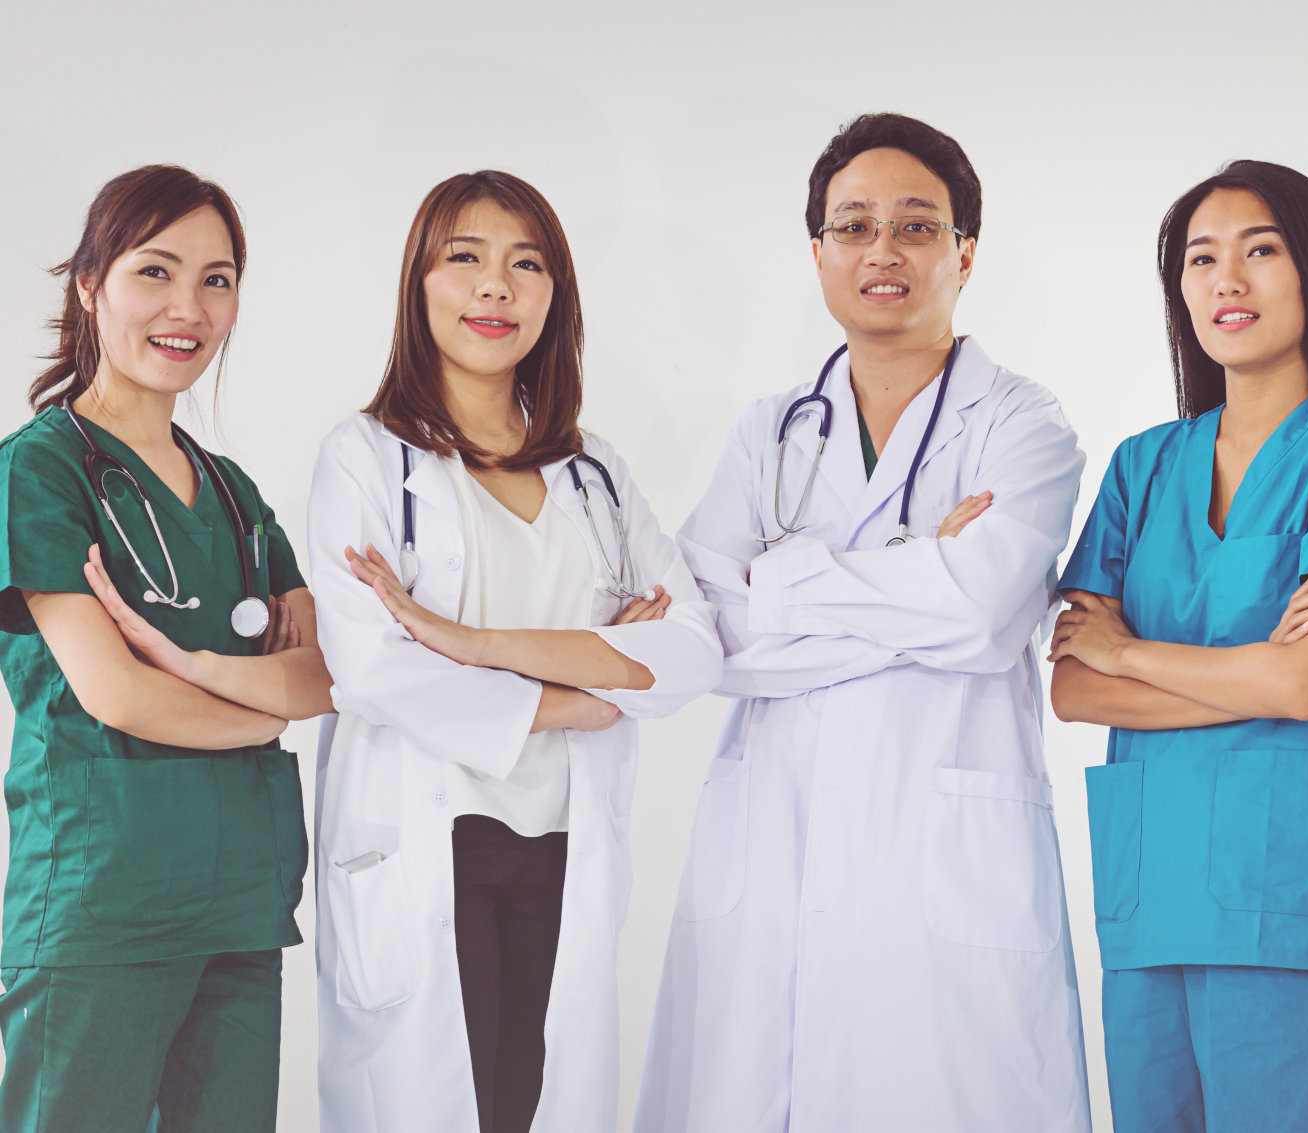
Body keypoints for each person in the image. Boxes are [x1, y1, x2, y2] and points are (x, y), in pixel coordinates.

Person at [635, 113, 1092, 1132]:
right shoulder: (769, 429)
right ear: (817, 253)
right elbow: (711, 634)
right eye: (852, 227)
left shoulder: (1023, 425)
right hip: (773, 847)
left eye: (916, 227)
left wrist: (782, 579)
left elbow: (980, 615)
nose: (881, 251)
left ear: (964, 254)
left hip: (941, 863)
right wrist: (913, 568)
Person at [307, 170, 721, 1133]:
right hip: (432, 836)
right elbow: (369, 668)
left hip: (561, 840)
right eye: (466, 259)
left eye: (525, 264)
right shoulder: (366, 458)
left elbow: (693, 646)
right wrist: (585, 684)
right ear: (420, 284)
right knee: (449, 1103)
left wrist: (470, 646)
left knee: (530, 1103)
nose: (495, 287)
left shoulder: (596, 474)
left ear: (555, 297)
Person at [1050, 160, 1308, 1132]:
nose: (1227, 280)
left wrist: (1130, 651)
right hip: (1148, 906)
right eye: (1200, 258)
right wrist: (1249, 671)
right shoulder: (1142, 465)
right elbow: (1071, 691)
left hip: (1288, 910)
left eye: (1259, 249)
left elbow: (1305, 684)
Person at [0, 165, 331, 1133]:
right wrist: (264, 707)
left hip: (238, 902)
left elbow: (322, 671)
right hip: (105, 901)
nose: (188, 307)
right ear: (90, 283)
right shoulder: (42, 469)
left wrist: (195, 667)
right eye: (156, 271)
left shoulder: (233, 492)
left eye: (217, 279)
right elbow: (114, 693)